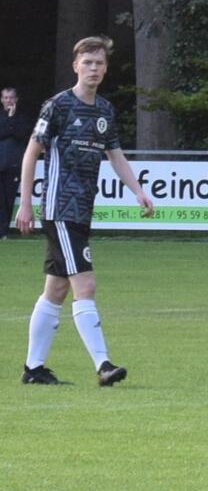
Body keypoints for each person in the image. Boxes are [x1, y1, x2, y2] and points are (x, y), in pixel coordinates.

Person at [15, 36, 154, 386]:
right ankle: (103, 365)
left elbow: (116, 155)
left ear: (105, 69)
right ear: (75, 66)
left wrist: (138, 191)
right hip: (61, 208)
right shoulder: (58, 106)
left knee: (56, 290)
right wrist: (26, 203)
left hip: (82, 211)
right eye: (87, 63)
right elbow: (31, 153)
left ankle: (33, 369)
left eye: (99, 63)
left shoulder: (104, 110)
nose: (94, 69)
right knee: (85, 284)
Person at [0, 87, 31, 238]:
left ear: (16, 99)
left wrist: (12, 118)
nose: (8, 101)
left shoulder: (22, 118)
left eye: (11, 98)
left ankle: (3, 232)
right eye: (5, 98)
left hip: (13, 165)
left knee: (8, 200)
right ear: (1, 100)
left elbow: (21, 135)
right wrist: (9, 121)